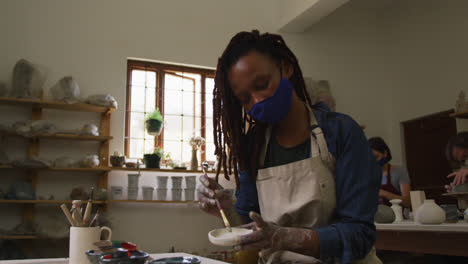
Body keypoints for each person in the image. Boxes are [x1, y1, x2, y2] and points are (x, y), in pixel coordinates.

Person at [197, 30, 382, 263]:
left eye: (262, 84)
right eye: (245, 99)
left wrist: (286, 237)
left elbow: (359, 234)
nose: (257, 101)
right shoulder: (253, 147)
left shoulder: (340, 132)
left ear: (286, 67)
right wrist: (226, 210)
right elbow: (248, 227)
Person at [368, 137, 411, 207]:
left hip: (398, 217)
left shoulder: (399, 171)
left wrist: (384, 193)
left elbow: (407, 202)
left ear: (385, 153)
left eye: (376, 157)